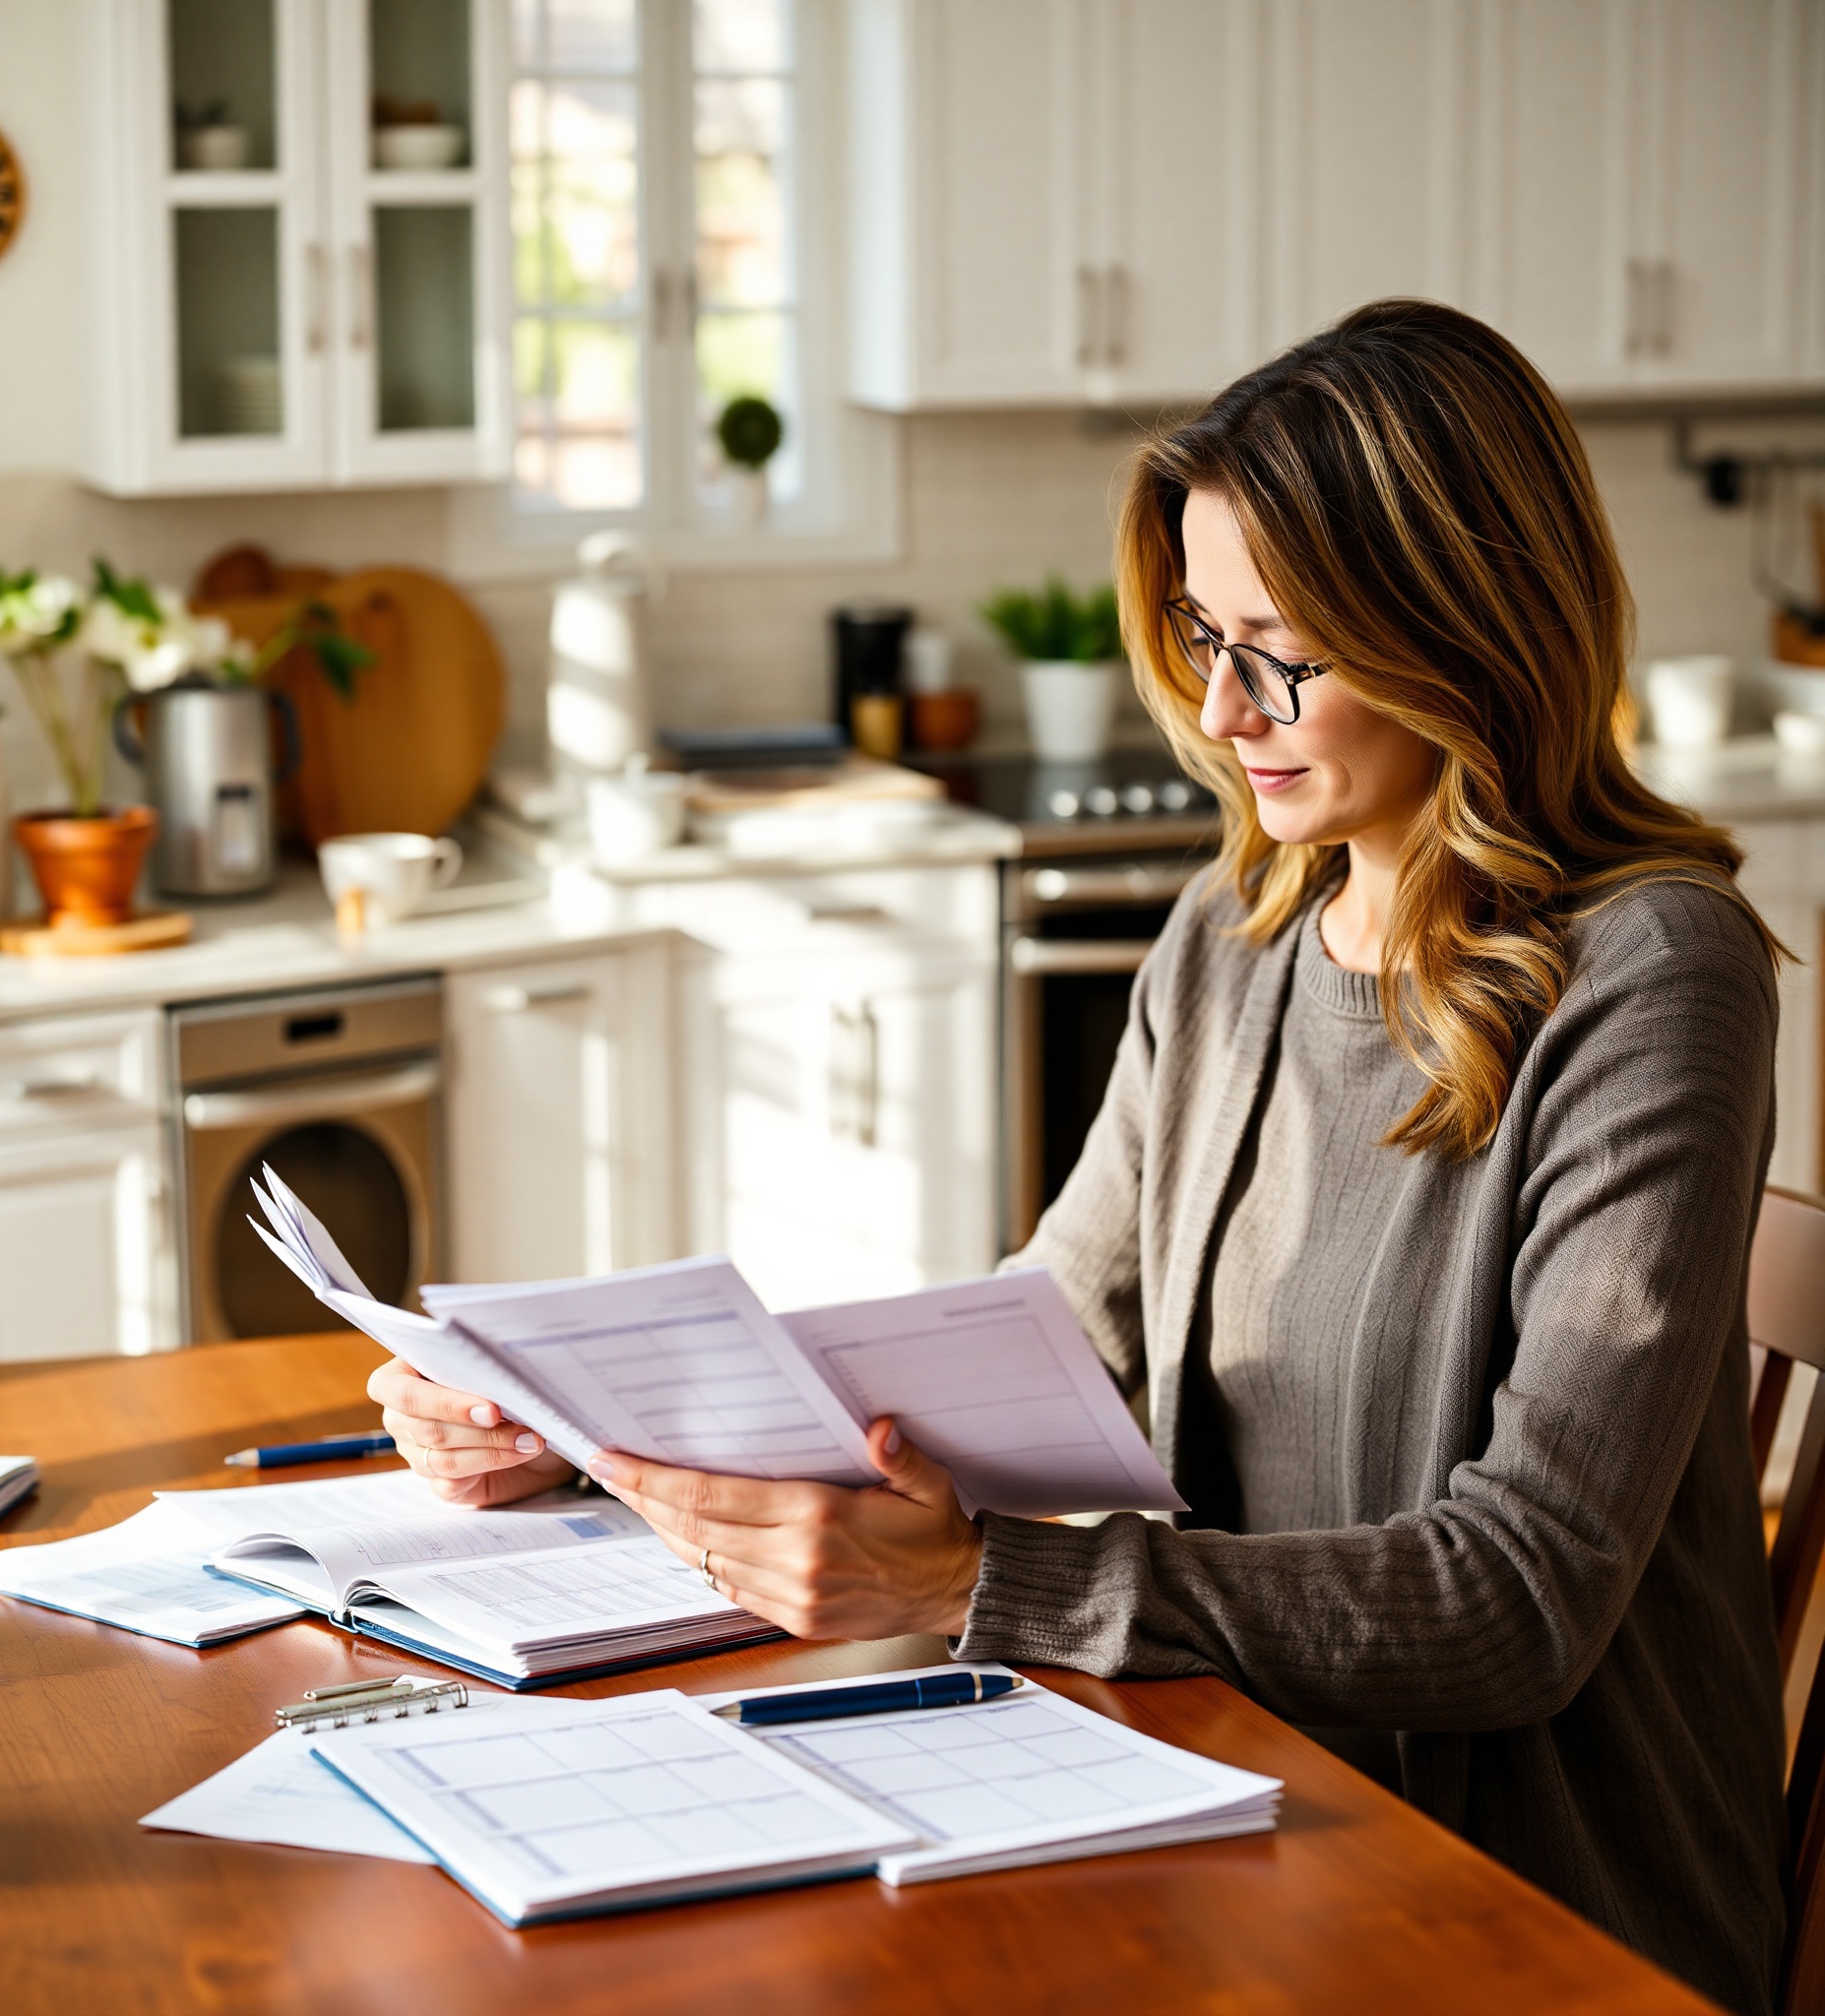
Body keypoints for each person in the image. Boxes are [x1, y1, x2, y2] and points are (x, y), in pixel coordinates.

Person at [368, 300, 1787, 2014]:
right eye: (1203, 635)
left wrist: (986, 1577)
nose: (1221, 704)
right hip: (1239, 1791)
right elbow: (1057, 1333)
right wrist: (605, 1427)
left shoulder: (1654, 971)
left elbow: (1519, 1598)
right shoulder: (1233, 935)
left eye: (1286, 651)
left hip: (1524, 1910)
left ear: (1467, 630)